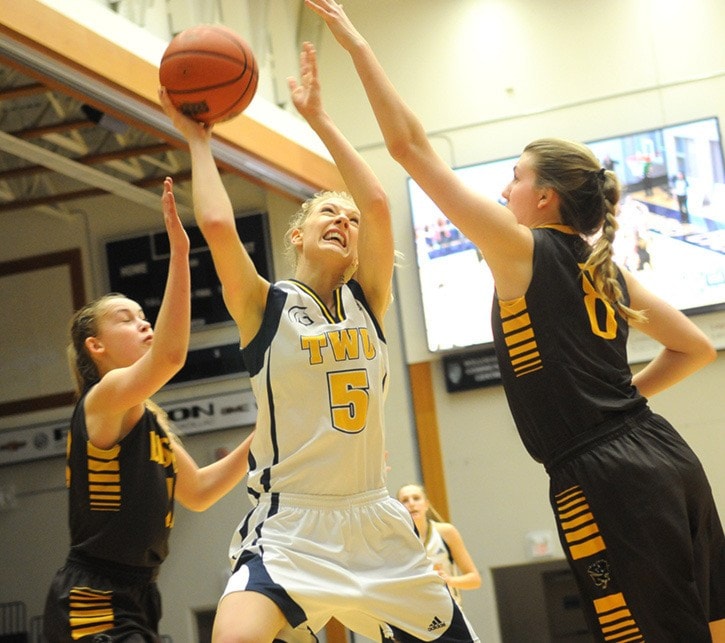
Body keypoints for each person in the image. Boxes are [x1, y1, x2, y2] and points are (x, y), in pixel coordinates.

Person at [305, 2, 725, 641]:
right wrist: (617, 400)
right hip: (666, 455)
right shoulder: (604, 266)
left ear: (546, 197)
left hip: (603, 474)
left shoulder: (525, 248)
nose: (505, 192)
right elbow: (695, 348)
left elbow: (409, 147)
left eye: (515, 177)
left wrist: (355, 42)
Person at [159, 39, 479, 643]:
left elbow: (379, 200)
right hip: (291, 525)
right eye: (329, 214)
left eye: (350, 220)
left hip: (376, 522)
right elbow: (222, 227)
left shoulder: (368, 301)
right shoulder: (266, 306)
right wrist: (199, 141)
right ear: (298, 236)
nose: (345, 221)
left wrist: (319, 119)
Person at [43, 177, 255, 643]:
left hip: (139, 592)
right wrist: (181, 254)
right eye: (127, 319)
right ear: (95, 346)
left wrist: (268, 434)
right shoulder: (101, 399)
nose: (143, 324)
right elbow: (171, 357)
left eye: (144, 316)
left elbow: (198, 491)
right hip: (92, 598)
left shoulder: (149, 417)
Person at [397, 484, 482, 605]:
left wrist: (449, 580)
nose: (411, 503)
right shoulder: (396, 540)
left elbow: (474, 580)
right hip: (417, 615)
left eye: (416, 498)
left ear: (426, 504)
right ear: (399, 508)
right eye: (405, 500)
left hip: (450, 612)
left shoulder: (446, 532)